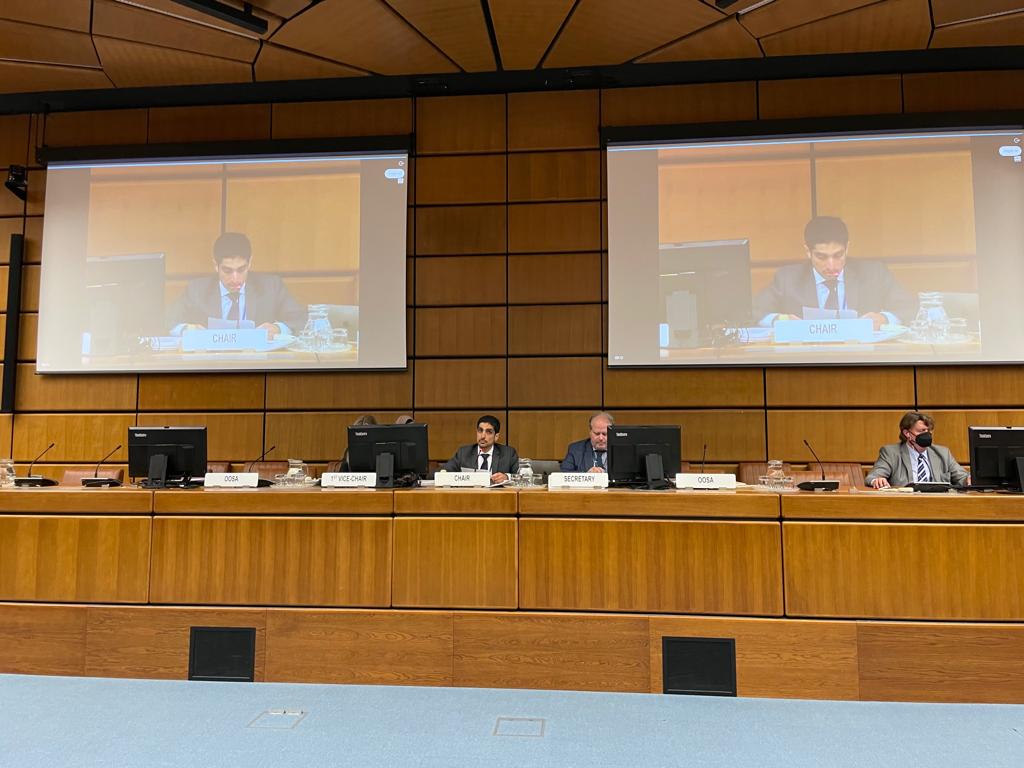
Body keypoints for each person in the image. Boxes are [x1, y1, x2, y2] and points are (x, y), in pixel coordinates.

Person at [753, 216, 916, 330]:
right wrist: (781, 320)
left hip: (861, 356)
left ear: (847, 248)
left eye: (838, 255)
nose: (832, 266)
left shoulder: (873, 274)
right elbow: (754, 312)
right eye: (822, 257)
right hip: (807, 359)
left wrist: (884, 319)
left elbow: (909, 307)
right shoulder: (788, 278)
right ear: (808, 252)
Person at [167, 231, 306, 338]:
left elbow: (300, 320)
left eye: (241, 270)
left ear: (250, 263)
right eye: (227, 271)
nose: (235, 279)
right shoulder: (197, 290)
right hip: (212, 362)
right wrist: (186, 329)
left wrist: (278, 329)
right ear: (216, 265)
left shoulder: (271, 286)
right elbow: (166, 321)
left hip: (257, 362)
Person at [866, 410, 968, 489]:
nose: (927, 434)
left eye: (928, 430)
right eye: (921, 431)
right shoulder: (891, 453)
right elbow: (872, 477)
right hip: (905, 503)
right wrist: (877, 480)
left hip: (938, 503)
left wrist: (968, 480)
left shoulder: (942, 453)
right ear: (907, 433)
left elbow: (962, 477)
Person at [442, 415, 519, 483]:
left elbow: (521, 476)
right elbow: (444, 472)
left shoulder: (508, 454)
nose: (482, 436)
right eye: (480, 430)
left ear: (496, 436)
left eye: (488, 432)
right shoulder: (464, 453)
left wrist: (507, 477)